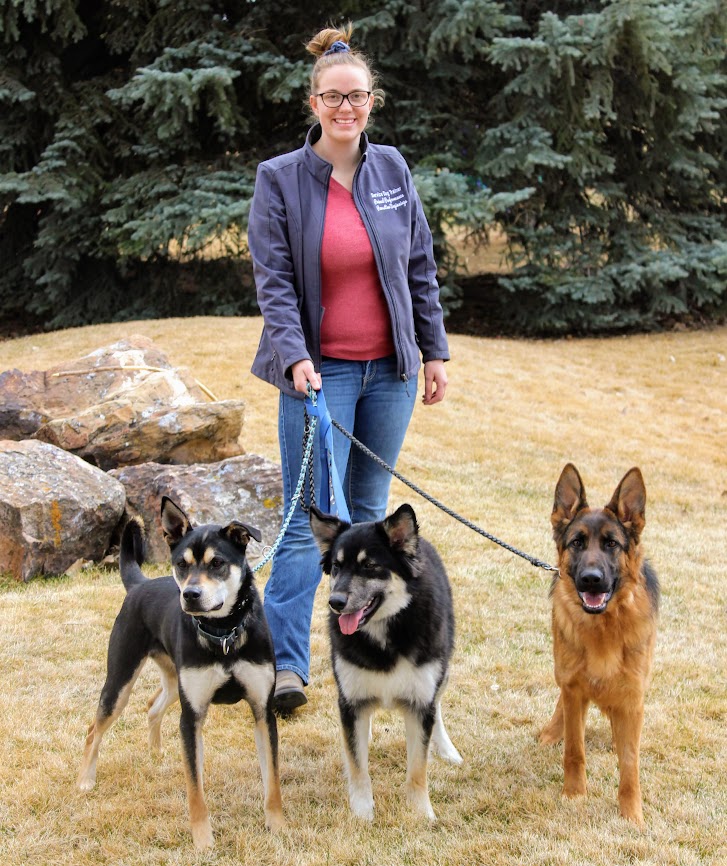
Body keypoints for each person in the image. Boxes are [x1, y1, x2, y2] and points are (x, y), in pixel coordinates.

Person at [247, 23, 450, 713]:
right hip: (318, 374)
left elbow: (418, 265)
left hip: (388, 374)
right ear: (313, 103)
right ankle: (286, 669)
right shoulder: (279, 180)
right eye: (332, 97)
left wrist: (433, 349)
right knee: (315, 524)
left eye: (356, 96)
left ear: (371, 101)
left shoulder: (391, 169)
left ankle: (364, 660)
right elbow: (273, 281)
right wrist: (294, 354)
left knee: (369, 521)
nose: (345, 107)